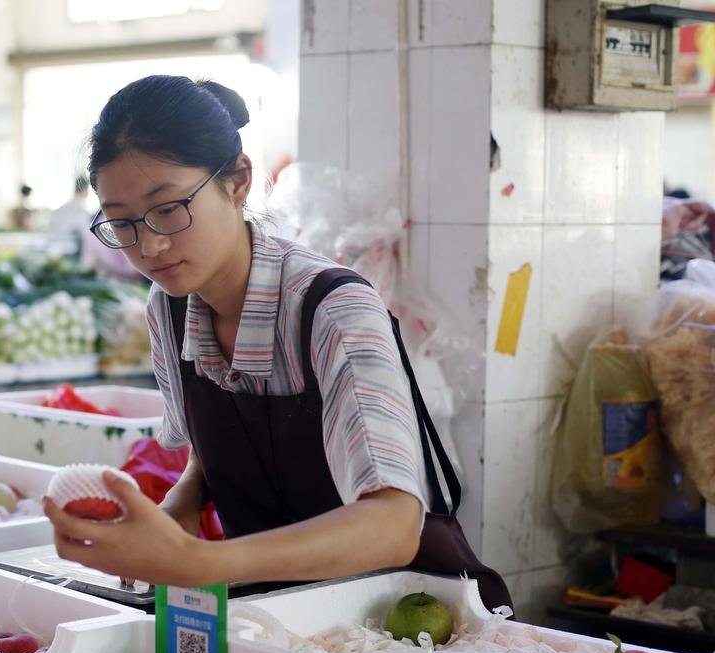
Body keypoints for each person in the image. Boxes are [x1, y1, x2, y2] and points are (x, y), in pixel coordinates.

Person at [42, 75, 511, 611]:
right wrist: (186, 499)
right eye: (122, 223)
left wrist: (203, 564)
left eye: (169, 208)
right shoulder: (169, 308)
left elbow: (395, 524)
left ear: (238, 180)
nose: (149, 245)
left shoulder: (332, 310)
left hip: (410, 615)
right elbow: (219, 441)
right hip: (279, 613)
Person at [47, 176, 94, 256]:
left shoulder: (60, 210)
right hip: (71, 254)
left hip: (54, 251)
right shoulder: (82, 212)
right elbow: (86, 236)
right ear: (86, 190)